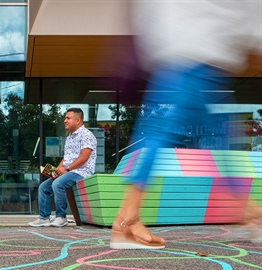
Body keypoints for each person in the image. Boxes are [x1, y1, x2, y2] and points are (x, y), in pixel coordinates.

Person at [110, 0, 262, 249]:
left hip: (177, 50)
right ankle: (126, 221)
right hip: (199, 53)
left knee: (217, 136)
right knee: (164, 135)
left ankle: (252, 213)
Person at [29, 108, 97, 227]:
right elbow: (67, 157)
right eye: (65, 118)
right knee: (43, 187)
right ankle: (44, 218)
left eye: (68, 118)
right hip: (69, 171)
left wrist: (67, 169)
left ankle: (61, 217)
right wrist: (57, 170)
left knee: (58, 184)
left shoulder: (87, 135)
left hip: (82, 172)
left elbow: (84, 157)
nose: (65, 120)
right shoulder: (70, 137)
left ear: (78, 120)